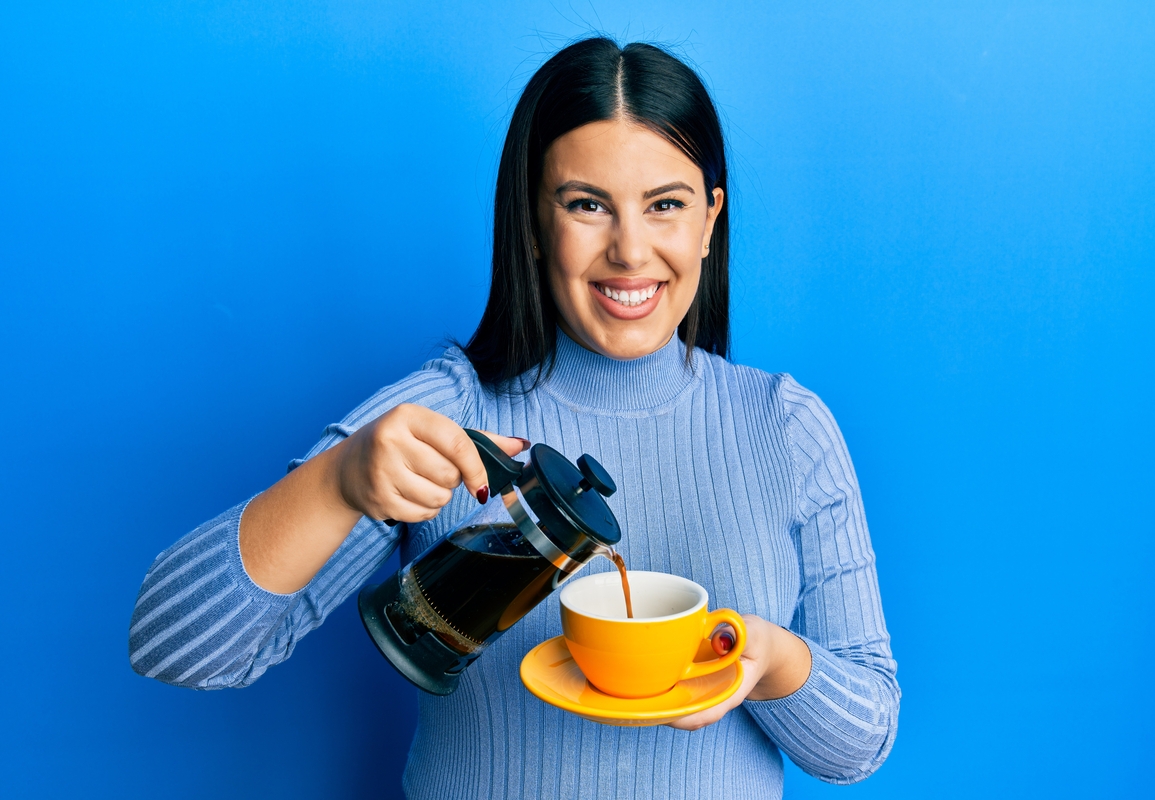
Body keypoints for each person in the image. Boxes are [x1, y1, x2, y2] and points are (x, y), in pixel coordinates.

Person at [129, 37, 899, 799]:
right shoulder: (445, 416)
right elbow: (174, 649)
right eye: (587, 206)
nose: (631, 251)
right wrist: (339, 481)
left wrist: (770, 659)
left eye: (665, 205)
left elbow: (862, 743)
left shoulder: (785, 428)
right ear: (534, 223)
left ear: (709, 221)